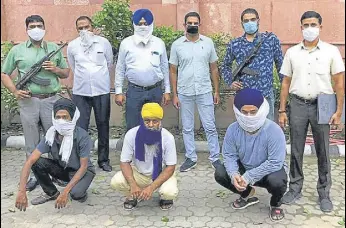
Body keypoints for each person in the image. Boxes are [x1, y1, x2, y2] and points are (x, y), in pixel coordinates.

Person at [279, 11, 345, 212]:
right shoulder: (292, 53)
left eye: (313, 24)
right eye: (306, 25)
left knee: (323, 150)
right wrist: (282, 110)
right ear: (301, 27)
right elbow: (286, 82)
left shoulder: (331, 51)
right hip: (298, 104)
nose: (309, 28)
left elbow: (339, 83)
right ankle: (295, 187)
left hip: (323, 104)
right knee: (296, 149)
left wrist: (339, 111)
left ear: (320, 27)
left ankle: (324, 192)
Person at [1, 15, 70, 191]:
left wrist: (55, 69)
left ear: (44, 27)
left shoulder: (53, 48)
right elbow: (4, 73)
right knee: (32, 141)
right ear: (27, 29)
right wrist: (15, 91)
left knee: (54, 138)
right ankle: (35, 175)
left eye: (39, 25)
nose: (36, 29)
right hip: (29, 101)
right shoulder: (17, 51)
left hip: (51, 100)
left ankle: (57, 173)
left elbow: (66, 73)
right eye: (32, 26)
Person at [214, 88, 287, 222]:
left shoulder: (274, 131)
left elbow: (275, 162)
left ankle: (275, 203)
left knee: (278, 181)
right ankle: (247, 193)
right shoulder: (232, 130)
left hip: (268, 172)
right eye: (244, 112)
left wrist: (249, 176)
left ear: (261, 109)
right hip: (245, 170)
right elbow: (229, 155)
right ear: (237, 111)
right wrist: (234, 174)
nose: (248, 116)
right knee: (220, 172)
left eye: (253, 112)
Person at [15, 98, 96, 211]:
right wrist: (22, 191)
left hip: (82, 172)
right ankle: (51, 193)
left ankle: (79, 190)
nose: (61, 120)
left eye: (65, 117)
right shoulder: (51, 135)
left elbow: (83, 167)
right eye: (58, 117)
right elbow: (30, 161)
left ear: (72, 118)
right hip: (64, 169)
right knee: (37, 162)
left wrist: (65, 192)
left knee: (76, 194)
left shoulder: (82, 136)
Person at [169, 11, 221, 172]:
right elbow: (172, 70)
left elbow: (213, 69)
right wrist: (175, 94)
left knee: (210, 126)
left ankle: (215, 158)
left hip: (205, 90)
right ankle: (191, 158)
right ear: (184, 25)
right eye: (189, 23)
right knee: (187, 127)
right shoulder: (177, 45)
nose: (192, 25)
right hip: (185, 92)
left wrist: (216, 91)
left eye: (195, 23)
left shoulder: (208, 43)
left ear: (199, 24)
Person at [110, 103, 178, 211]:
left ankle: (164, 198)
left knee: (169, 192)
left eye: (155, 121)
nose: (151, 125)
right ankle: (134, 195)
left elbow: (170, 167)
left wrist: (151, 187)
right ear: (142, 120)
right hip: (139, 173)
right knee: (116, 181)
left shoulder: (168, 137)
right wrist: (133, 184)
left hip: (161, 173)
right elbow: (124, 162)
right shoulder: (131, 134)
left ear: (160, 121)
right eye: (147, 121)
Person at [67, 16, 113, 172]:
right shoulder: (72, 46)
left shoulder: (104, 43)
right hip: (81, 92)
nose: (84, 30)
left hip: (102, 91)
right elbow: (73, 66)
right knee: (80, 127)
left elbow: (109, 62)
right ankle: (81, 161)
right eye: (80, 28)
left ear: (92, 27)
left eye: (87, 27)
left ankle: (103, 160)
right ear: (77, 30)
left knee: (103, 125)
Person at [221, 8, 283, 120]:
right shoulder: (235, 44)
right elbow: (225, 65)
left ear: (258, 21)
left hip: (265, 94)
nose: (250, 23)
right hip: (244, 96)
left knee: (267, 130)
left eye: (253, 19)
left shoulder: (270, 40)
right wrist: (230, 82)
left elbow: (281, 66)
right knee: (245, 130)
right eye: (246, 21)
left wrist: (284, 93)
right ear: (242, 24)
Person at [114, 9, 171, 131]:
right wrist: (118, 92)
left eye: (146, 24)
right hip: (135, 91)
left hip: (154, 90)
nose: (143, 27)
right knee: (133, 126)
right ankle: (135, 150)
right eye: (140, 24)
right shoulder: (126, 43)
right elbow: (120, 68)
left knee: (154, 125)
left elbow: (165, 67)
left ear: (151, 24)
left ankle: (153, 149)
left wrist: (167, 90)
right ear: (134, 24)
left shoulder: (159, 43)